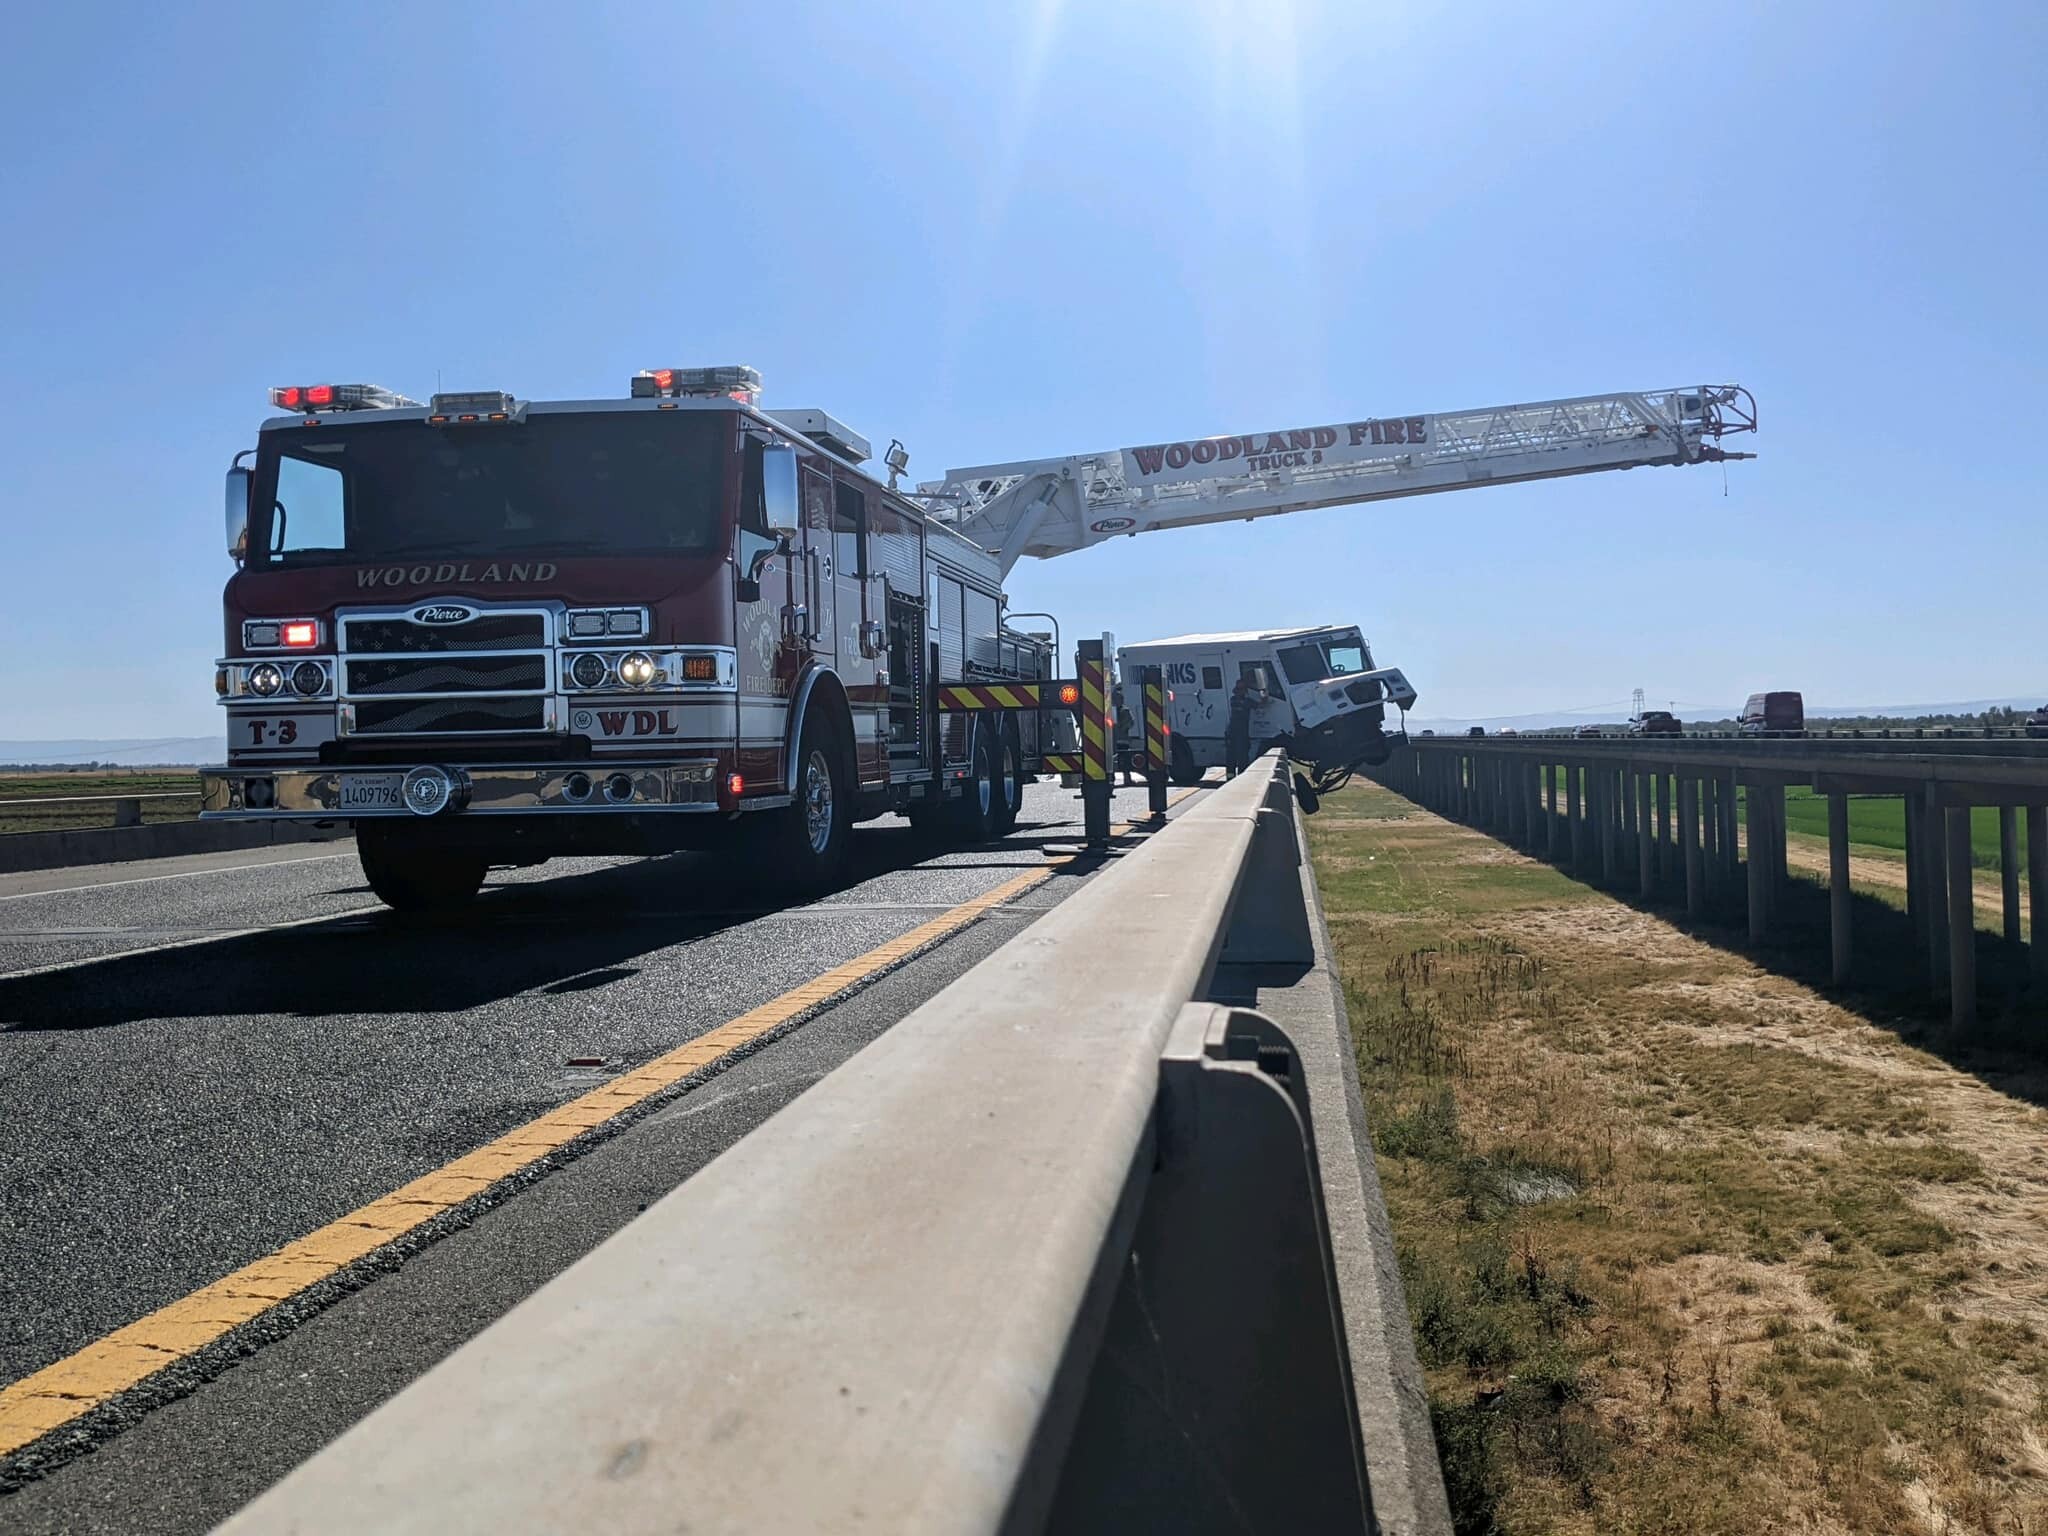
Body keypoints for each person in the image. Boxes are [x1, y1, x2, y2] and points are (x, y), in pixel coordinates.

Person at [1225, 675, 1254, 778]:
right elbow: (1259, 705)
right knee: (1242, 756)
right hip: (1240, 733)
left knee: (1231, 756)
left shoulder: (1233, 699)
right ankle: (1241, 777)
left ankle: (1230, 777)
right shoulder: (1245, 701)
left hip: (1231, 732)